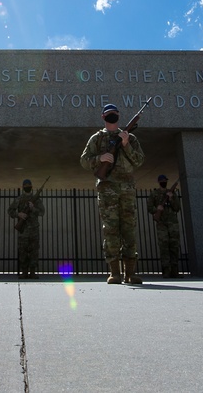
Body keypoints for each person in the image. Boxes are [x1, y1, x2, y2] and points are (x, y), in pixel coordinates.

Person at [81, 103, 146, 284]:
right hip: (107, 188)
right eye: (109, 115)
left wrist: (125, 144)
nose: (112, 117)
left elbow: (139, 160)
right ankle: (114, 272)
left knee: (129, 230)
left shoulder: (130, 138)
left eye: (114, 114)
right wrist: (99, 158)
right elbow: (84, 161)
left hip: (127, 188)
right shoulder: (97, 138)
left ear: (119, 115)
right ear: (103, 117)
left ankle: (130, 273)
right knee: (110, 230)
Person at [8, 178, 45, 279]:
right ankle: (24, 272)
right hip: (23, 229)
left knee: (34, 251)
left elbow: (42, 212)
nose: (27, 187)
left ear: (31, 187)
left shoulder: (36, 199)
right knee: (23, 251)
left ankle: (32, 272)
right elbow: (10, 211)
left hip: (34, 230)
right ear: (23, 187)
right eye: (26, 185)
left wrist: (33, 209)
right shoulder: (19, 199)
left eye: (29, 185)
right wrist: (18, 214)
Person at [148, 174, 182, 278]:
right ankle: (166, 270)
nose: (164, 182)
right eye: (162, 180)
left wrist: (171, 198)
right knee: (164, 247)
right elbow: (149, 207)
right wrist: (156, 209)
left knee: (174, 247)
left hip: (172, 224)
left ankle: (175, 271)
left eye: (165, 180)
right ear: (159, 182)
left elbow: (177, 208)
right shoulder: (154, 194)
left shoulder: (172, 193)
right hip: (161, 223)